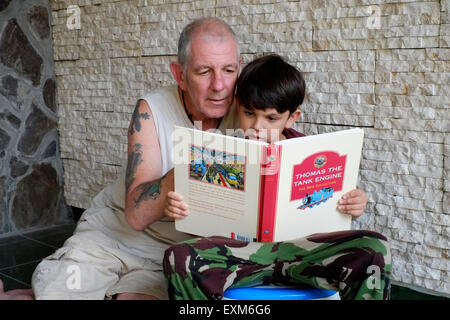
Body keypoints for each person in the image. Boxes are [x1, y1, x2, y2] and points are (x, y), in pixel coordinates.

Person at [0, 17, 373, 300]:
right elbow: (136, 213)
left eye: (229, 70)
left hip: (184, 253)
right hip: (116, 234)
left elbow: (298, 176)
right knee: (60, 290)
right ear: (180, 74)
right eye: (203, 71)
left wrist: (344, 200)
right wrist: (193, 169)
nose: (219, 85)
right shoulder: (152, 109)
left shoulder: (249, 109)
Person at [162, 54, 392, 300]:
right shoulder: (222, 152)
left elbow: (337, 200)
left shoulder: (309, 152)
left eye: (271, 118)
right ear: (237, 105)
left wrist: (355, 202)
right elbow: (200, 215)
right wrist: (179, 208)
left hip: (303, 253)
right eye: (249, 113)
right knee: (179, 257)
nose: (258, 126)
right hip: (241, 255)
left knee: (374, 249)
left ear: (292, 117)